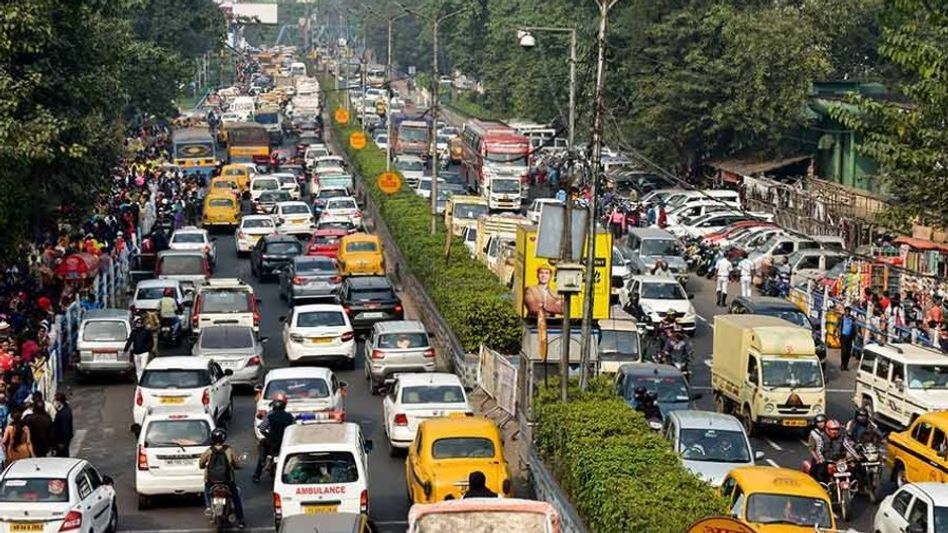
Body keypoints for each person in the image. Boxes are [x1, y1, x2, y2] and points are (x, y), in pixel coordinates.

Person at [198, 428, 244, 529]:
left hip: (211, 481)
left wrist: (204, 466)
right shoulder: (229, 450)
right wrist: (237, 466)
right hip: (227, 481)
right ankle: (240, 519)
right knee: (236, 496)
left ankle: (209, 506)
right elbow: (237, 463)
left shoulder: (209, 451)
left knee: (206, 489)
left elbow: (201, 463)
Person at [253, 393, 296, 483]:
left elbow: (262, 429)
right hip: (284, 443)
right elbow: (293, 429)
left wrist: (269, 436)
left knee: (262, 447)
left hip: (272, 443)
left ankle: (258, 473)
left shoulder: (270, 416)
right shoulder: (289, 417)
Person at [124, 316, 153, 382]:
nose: (138, 325)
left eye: (140, 323)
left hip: (144, 352)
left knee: (143, 367)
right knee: (138, 368)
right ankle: (139, 381)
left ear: (142, 324)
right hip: (136, 353)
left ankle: (143, 380)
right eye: (137, 323)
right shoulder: (134, 332)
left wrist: (148, 348)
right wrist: (126, 349)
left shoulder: (147, 332)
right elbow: (130, 341)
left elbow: (150, 341)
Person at [24, 394, 53, 458]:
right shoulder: (47, 418)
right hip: (44, 446)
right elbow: (50, 433)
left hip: (32, 446)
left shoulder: (29, 418)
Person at [52, 393, 73, 457]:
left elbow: (65, 428)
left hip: (62, 441)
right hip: (63, 441)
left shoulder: (64, 413)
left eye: (55, 400)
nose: (54, 402)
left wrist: (62, 442)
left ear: (59, 401)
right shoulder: (65, 410)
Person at [836, 306, 856, 371]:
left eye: (848, 312)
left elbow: (854, 327)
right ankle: (842, 364)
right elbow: (838, 326)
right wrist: (837, 334)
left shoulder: (852, 318)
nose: (847, 313)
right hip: (843, 336)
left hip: (850, 337)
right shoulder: (841, 318)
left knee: (848, 353)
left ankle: (846, 365)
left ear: (849, 312)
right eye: (846, 311)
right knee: (844, 352)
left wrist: (854, 336)